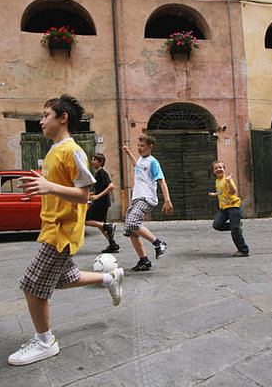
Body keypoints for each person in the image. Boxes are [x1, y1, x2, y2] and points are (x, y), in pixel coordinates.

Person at [9, 94, 124, 366]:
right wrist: (45, 182)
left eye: (46, 114)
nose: (41, 121)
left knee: (32, 286)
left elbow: (84, 194)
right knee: (63, 278)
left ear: (63, 118)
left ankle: (45, 342)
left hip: (62, 230)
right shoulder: (53, 150)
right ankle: (109, 278)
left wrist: (49, 187)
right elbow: (62, 188)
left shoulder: (72, 150)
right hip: (51, 225)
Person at [121, 134, 173, 271]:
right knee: (130, 229)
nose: (139, 148)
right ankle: (144, 261)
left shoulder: (153, 162)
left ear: (150, 147)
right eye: (138, 145)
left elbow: (162, 181)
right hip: (136, 198)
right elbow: (136, 167)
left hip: (146, 198)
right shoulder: (141, 160)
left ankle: (159, 243)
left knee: (132, 222)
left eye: (142, 146)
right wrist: (128, 153)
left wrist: (167, 200)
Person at [208, 160, 250, 257]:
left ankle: (244, 250)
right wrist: (215, 194)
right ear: (214, 171)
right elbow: (222, 192)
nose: (218, 169)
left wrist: (228, 181)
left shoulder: (227, 180)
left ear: (224, 169)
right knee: (217, 225)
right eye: (216, 168)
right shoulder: (217, 181)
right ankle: (236, 225)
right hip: (223, 208)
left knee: (234, 230)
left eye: (220, 167)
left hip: (233, 207)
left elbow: (232, 191)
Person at [85, 153, 119, 253]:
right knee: (100, 225)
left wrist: (98, 196)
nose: (92, 162)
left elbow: (111, 186)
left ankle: (108, 227)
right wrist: (91, 194)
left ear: (101, 162)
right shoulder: (97, 174)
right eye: (92, 159)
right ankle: (113, 245)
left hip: (101, 203)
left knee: (83, 220)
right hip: (101, 202)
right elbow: (98, 190)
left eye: (95, 160)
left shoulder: (102, 173)